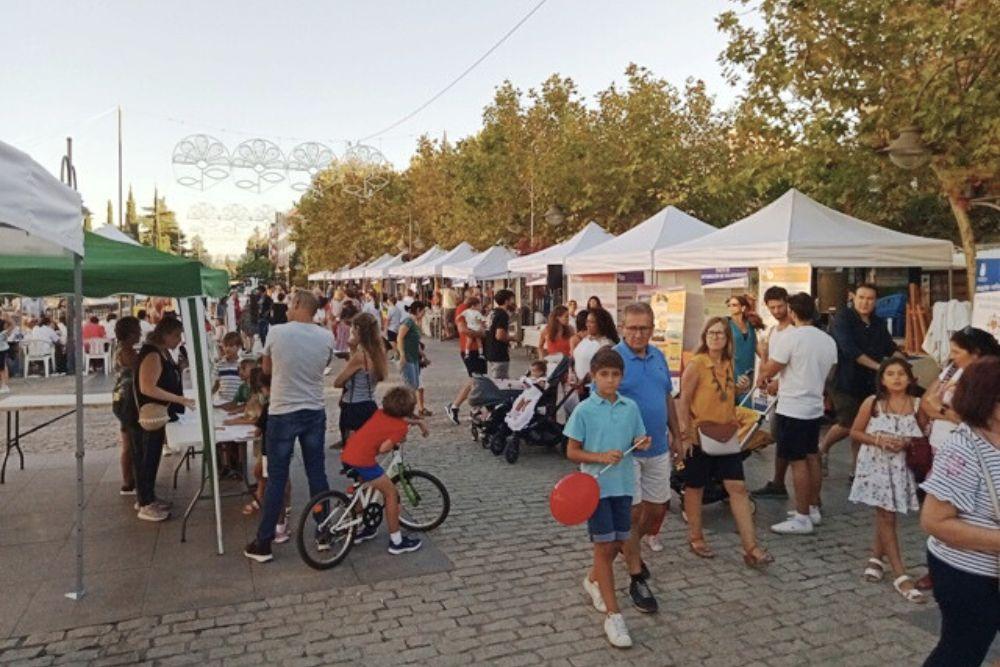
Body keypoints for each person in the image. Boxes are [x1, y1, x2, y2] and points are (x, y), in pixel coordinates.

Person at [564, 347, 651, 649]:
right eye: (604, 374)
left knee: (616, 544)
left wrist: (641, 442)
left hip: (624, 487)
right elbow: (572, 451)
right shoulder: (584, 410)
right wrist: (600, 457)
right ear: (593, 376)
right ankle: (614, 615)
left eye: (615, 374)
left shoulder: (630, 407)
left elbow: (637, 438)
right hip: (596, 489)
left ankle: (593, 580)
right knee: (603, 547)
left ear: (622, 377)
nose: (610, 380)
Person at [919, 357, 1000, 666]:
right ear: (986, 401)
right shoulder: (964, 448)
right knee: (963, 650)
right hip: (968, 573)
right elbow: (935, 521)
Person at [244, 291, 335, 563]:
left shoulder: (277, 332)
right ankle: (323, 530)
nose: (286, 309)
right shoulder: (326, 336)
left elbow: (267, 370)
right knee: (316, 473)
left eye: (289, 304)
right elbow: (324, 365)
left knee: (276, 478)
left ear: (296, 304)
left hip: (283, 411)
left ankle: (264, 542)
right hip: (313, 410)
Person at [678, 317, 773, 566]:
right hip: (699, 435)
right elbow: (684, 400)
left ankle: (751, 547)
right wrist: (684, 435)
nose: (715, 337)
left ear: (727, 338)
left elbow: (724, 396)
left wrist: (740, 389)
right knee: (695, 487)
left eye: (720, 333)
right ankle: (696, 537)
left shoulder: (729, 363)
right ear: (704, 336)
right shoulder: (697, 364)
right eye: (711, 333)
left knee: (737, 488)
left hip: (726, 434)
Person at [614, 302, 681, 603]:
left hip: (658, 447)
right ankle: (635, 574)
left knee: (656, 509)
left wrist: (677, 435)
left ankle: (628, 546)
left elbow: (666, 398)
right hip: (627, 452)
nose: (638, 334)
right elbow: (601, 405)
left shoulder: (658, 356)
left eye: (644, 328)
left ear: (653, 329)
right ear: (622, 328)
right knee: (633, 512)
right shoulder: (613, 359)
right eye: (632, 328)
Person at [847, 358, 927, 602]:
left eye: (901, 373)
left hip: (902, 468)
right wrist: (878, 440)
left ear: (910, 378)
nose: (896, 378)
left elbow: (924, 434)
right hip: (877, 466)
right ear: (882, 379)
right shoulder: (873, 403)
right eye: (890, 374)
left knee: (888, 513)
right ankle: (900, 575)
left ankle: (876, 557)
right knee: (886, 515)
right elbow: (855, 431)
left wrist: (906, 442)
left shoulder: (917, 405)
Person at [758, 292, 837, 535]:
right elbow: (830, 373)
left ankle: (802, 517)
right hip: (814, 406)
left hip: (793, 407)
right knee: (812, 456)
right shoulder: (827, 340)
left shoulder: (791, 338)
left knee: (797, 461)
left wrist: (763, 355)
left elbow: (770, 370)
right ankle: (812, 508)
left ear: (792, 312)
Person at [341, 386, 429, 553]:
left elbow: (400, 421)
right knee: (391, 494)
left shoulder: (380, 413)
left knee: (365, 490)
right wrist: (395, 440)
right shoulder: (400, 428)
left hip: (349, 453)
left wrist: (418, 422)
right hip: (364, 461)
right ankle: (396, 541)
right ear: (409, 409)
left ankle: (359, 527)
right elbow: (383, 448)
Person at [821, 283, 898, 475]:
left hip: (870, 382)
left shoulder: (878, 323)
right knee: (848, 423)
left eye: (870, 299)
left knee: (864, 425)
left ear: (876, 301)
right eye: (861, 297)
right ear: (853, 297)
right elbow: (850, 350)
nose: (865, 302)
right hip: (844, 380)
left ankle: (857, 470)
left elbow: (890, 348)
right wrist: (879, 367)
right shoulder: (842, 319)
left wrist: (904, 365)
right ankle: (823, 448)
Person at [134, 317, 195, 522]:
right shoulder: (152, 354)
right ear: (165, 334)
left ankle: (149, 497)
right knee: (147, 457)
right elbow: (147, 387)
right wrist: (179, 399)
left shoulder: (162, 352)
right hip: (150, 414)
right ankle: (145, 502)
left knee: (152, 456)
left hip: (160, 413)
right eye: (176, 335)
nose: (179, 340)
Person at [920, 326, 1000, 454]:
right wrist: (952, 414)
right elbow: (926, 403)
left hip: (973, 450)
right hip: (941, 443)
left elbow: (979, 423)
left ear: (975, 353)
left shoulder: (990, 379)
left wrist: (940, 408)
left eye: (956, 352)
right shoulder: (953, 369)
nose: (951, 356)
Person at [752, 286, 795, 499]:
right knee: (779, 436)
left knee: (786, 439)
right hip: (775, 392)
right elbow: (767, 359)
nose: (777, 311)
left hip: (788, 393)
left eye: (780, 306)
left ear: (787, 303)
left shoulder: (795, 331)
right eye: (772, 308)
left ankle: (780, 482)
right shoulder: (773, 331)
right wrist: (763, 376)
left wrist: (778, 383)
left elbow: (796, 365)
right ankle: (778, 481)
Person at [334, 312, 387, 447]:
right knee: (367, 450)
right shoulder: (378, 352)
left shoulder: (360, 357)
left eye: (352, 330)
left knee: (352, 451)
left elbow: (338, 382)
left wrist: (351, 354)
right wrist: (352, 349)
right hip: (370, 405)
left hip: (354, 407)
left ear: (357, 329)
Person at [445, 291, 487, 425]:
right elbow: (462, 329)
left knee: (478, 380)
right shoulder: (462, 309)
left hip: (478, 349)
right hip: (470, 349)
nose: (479, 297)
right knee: (476, 379)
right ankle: (456, 406)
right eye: (476, 294)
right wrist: (480, 334)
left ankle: (471, 408)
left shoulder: (473, 310)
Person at [112, 316, 142, 495]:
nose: (140, 333)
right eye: (138, 330)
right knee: (131, 443)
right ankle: (129, 481)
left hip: (121, 398)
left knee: (127, 441)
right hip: (128, 400)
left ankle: (129, 480)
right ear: (130, 334)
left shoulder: (121, 349)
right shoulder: (128, 353)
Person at [726, 295, 763, 404]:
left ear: (742, 307)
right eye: (729, 305)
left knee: (745, 402)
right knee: (731, 401)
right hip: (732, 367)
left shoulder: (750, 324)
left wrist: (768, 362)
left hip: (748, 368)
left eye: (734, 305)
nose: (731, 307)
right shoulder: (726, 324)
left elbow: (756, 345)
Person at [571, 308, 619, 385]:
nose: (587, 325)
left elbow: (603, 370)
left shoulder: (606, 345)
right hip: (578, 385)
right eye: (587, 321)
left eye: (592, 322)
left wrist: (584, 381)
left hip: (592, 387)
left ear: (601, 324)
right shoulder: (587, 339)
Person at [397, 300, 428, 415]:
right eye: (423, 311)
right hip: (408, 358)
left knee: (414, 386)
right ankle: (407, 412)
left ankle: (410, 411)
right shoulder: (408, 321)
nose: (424, 314)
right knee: (410, 387)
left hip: (414, 358)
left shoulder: (414, 323)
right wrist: (402, 355)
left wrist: (423, 355)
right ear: (418, 310)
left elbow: (415, 342)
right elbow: (400, 338)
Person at [483, 289, 516, 379]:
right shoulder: (502, 314)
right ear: (506, 301)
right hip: (499, 353)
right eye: (512, 299)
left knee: (498, 378)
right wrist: (513, 338)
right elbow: (500, 336)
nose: (513, 302)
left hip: (490, 350)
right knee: (501, 382)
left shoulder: (492, 312)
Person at [0, 315, 13, 393]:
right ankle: (4, 385)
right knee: (3, 367)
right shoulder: (4, 333)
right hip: (4, 349)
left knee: (2, 368)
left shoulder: (3, 333)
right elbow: (12, 325)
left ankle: (4, 385)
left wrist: (8, 319)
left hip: (2, 350)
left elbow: (12, 325)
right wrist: (8, 319)